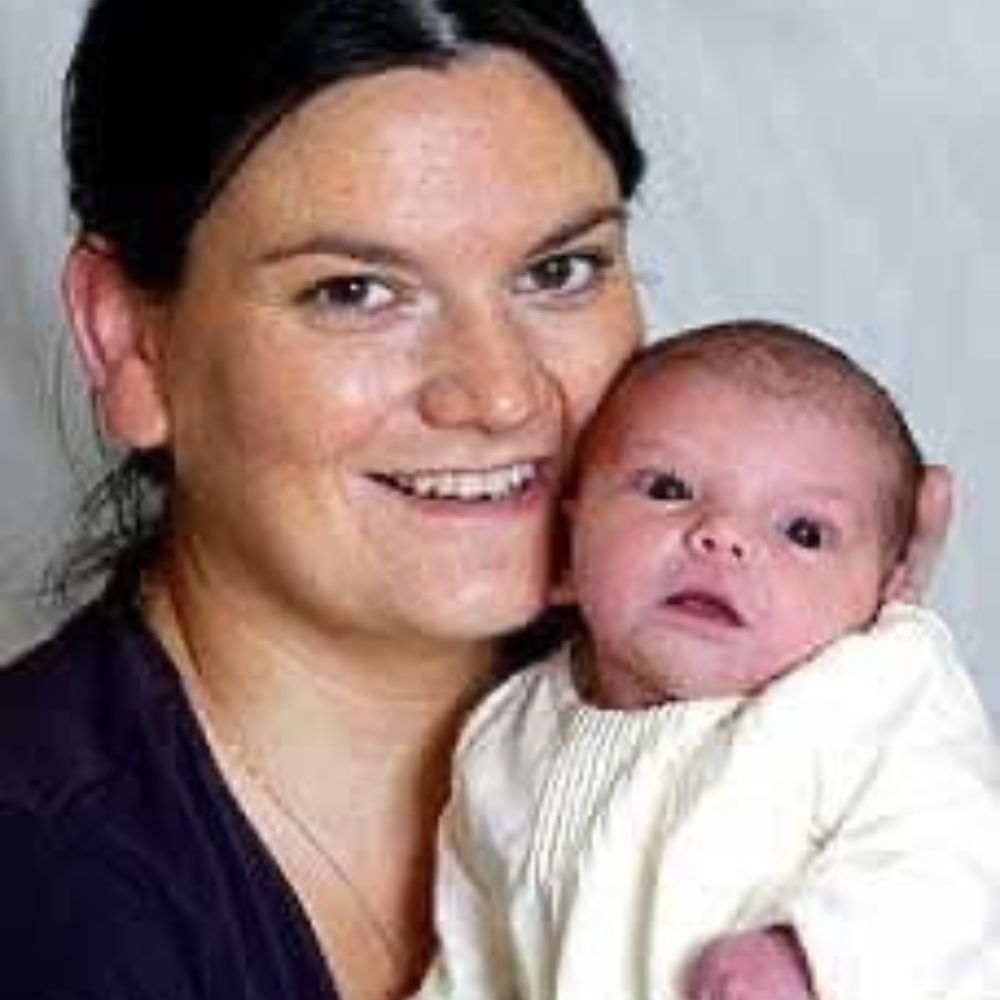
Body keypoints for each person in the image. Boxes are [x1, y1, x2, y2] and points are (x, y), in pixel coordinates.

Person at [0, 0, 950, 997]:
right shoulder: (41, 884)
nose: (500, 395)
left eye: (559, 270)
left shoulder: (804, 699)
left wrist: (851, 727)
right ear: (129, 339)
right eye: (355, 291)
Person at [414, 321, 1000, 1000]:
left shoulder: (873, 686)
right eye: (667, 488)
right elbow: (475, 965)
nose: (721, 536)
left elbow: (961, 857)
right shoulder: (505, 736)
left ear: (885, 591)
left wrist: (814, 959)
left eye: (803, 531)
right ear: (568, 542)